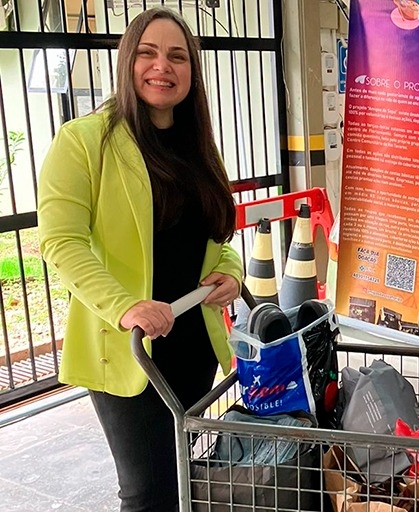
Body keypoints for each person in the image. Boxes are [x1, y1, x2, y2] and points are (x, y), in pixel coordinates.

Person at [37, 8, 242, 511]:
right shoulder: (84, 141)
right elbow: (61, 241)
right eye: (148, 53)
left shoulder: (196, 145)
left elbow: (213, 235)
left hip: (191, 339)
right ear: (127, 60)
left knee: (178, 480)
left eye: (177, 56)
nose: (162, 67)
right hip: (130, 347)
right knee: (146, 491)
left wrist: (231, 272)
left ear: (192, 72)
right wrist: (126, 305)